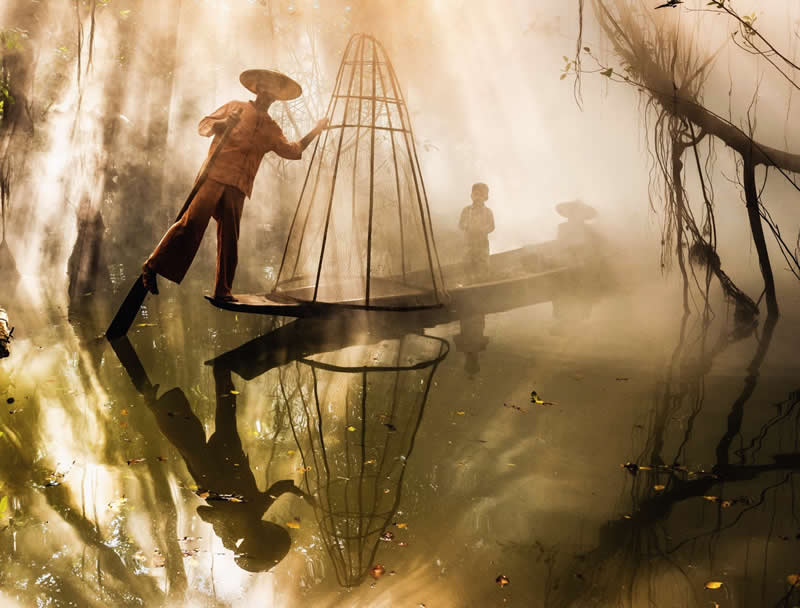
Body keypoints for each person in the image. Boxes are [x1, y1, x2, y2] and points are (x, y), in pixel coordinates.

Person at [141, 69, 328, 301]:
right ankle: (152, 265)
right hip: (214, 176)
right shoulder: (235, 107)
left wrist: (316, 130)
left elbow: (293, 150)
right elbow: (203, 126)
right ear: (258, 88)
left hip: (238, 187)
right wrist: (222, 124)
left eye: (274, 93)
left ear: (276, 98)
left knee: (230, 239)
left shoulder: (272, 129)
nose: (269, 95)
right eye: (266, 89)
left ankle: (223, 290)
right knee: (192, 224)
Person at [458, 182, 495, 282]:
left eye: (481, 195)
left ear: (485, 197)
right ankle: (469, 284)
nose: (478, 197)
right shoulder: (466, 210)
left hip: (482, 245)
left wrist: (483, 230)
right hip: (469, 244)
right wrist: (467, 227)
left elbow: (492, 226)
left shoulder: (488, 212)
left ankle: (484, 283)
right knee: (467, 265)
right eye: (475, 194)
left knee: (483, 266)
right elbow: (461, 224)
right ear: (471, 196)